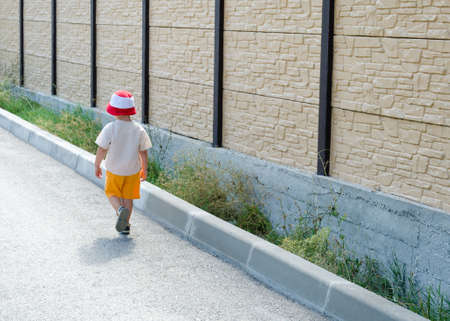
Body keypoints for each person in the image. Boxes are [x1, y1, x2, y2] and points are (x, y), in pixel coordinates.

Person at [94, 90, 152, 235]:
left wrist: (97, 164)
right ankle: (125, 225)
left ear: (114, 111)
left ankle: (120, 211)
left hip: (114, 170)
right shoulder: (139, 130)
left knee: (111, 193)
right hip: (132, 171)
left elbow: (102, 149)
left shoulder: (111, 128)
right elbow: (143, 152)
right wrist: (144, 169)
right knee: (128, 198)